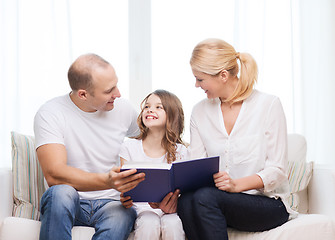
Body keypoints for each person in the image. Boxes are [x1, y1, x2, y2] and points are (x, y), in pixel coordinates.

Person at [177, 38, 297, 240]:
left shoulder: (268, 105)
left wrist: (236, 185)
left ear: (223, 75)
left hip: (268, 203)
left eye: (200, 79)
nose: (196, 85)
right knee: (186, 200)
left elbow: (277, 170)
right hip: (219, 200)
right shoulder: (199, 111)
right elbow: (196, 166)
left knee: (204, 198)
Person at [34, 53, 145, 240]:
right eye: (109, 90)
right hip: (72, 202)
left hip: (113, 203)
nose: (118, 94)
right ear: (83, 94)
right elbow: (54, 174)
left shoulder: (124, 109)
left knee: (122, 213)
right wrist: (108, 181)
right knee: (61, 192)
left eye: (116, 85)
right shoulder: (51, 113)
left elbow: (152, 143)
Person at [120, 89, 187, 240]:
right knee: (148, 221)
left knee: (173, 223)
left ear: (172, 114)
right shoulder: (129, 147)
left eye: (159, 107)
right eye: (147, 106)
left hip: (171, 211)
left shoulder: (181, 151)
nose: (150, 109)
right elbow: (125, 186)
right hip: (141, 210)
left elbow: (185, 191)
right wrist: (123, 197)